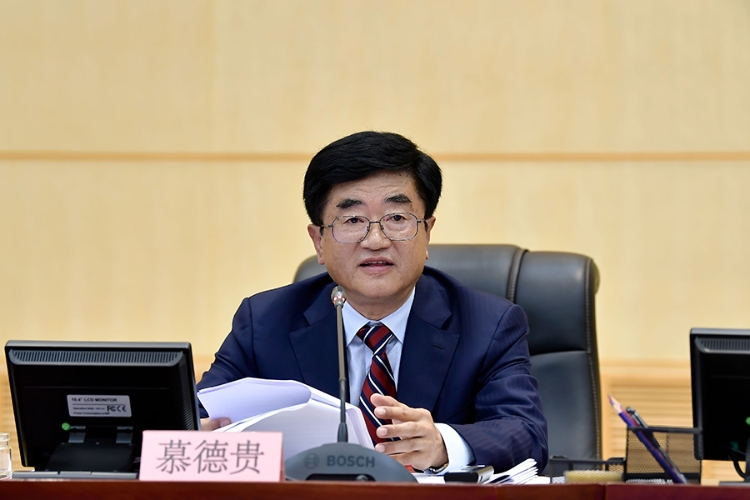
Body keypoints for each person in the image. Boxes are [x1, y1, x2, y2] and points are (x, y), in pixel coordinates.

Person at [197, 131, 548, 472]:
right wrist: (199, 433)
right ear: (319, 241)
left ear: (427, 233)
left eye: (397, 218)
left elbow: (526, 433)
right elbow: (194, 415)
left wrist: (442, 444)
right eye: (352, 220)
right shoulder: (264, 322)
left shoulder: (488, 325)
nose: (376, 240)